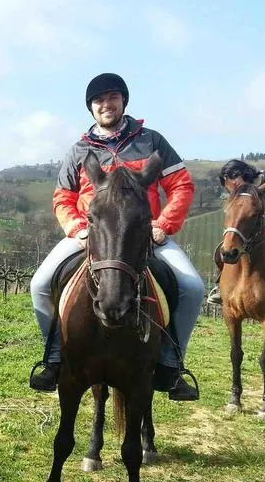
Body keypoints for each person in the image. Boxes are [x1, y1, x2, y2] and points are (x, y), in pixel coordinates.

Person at [29, 72, 203, 401]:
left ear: (124, 101)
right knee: (39, 284)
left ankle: (170, 364)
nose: (106, 104)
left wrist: (163, 224)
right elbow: (63, 197)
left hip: (143, 234)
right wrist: (77, 228)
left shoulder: (152, 141)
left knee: (192, 287)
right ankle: (54, 358)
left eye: (112, 97)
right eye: (99, 100)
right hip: (91, 235)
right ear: (91, 107)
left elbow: (181, 185)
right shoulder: (79, 150)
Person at [206, 159, 265, 304]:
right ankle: (222, 286)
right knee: (226, 247)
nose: (233, 189)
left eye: (233, 184)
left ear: (240, 174)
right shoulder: (239, 191)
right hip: (252, 228)